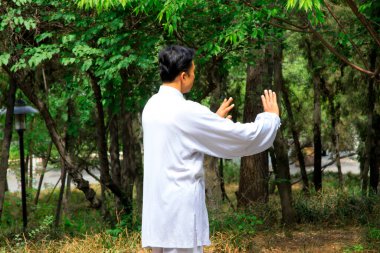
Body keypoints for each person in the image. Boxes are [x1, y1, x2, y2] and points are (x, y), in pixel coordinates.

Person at [142, 45, 280, 253]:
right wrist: (270, 119)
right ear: (183, 76)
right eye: (194, 72)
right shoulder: (185, 111)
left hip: (159, 216)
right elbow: (238, 138)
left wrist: (211, 123)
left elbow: (178, 142)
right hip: (181, 216)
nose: (194, 76)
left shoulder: (151, 106)